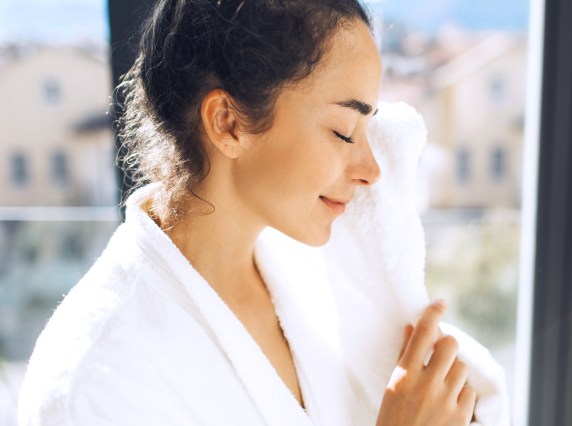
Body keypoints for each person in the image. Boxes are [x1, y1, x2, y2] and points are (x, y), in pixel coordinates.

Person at [18, 1, 487, 424]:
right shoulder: (97, 380)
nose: (371, 170)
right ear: (228, 122)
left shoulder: (310, 272)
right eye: (344, 132)